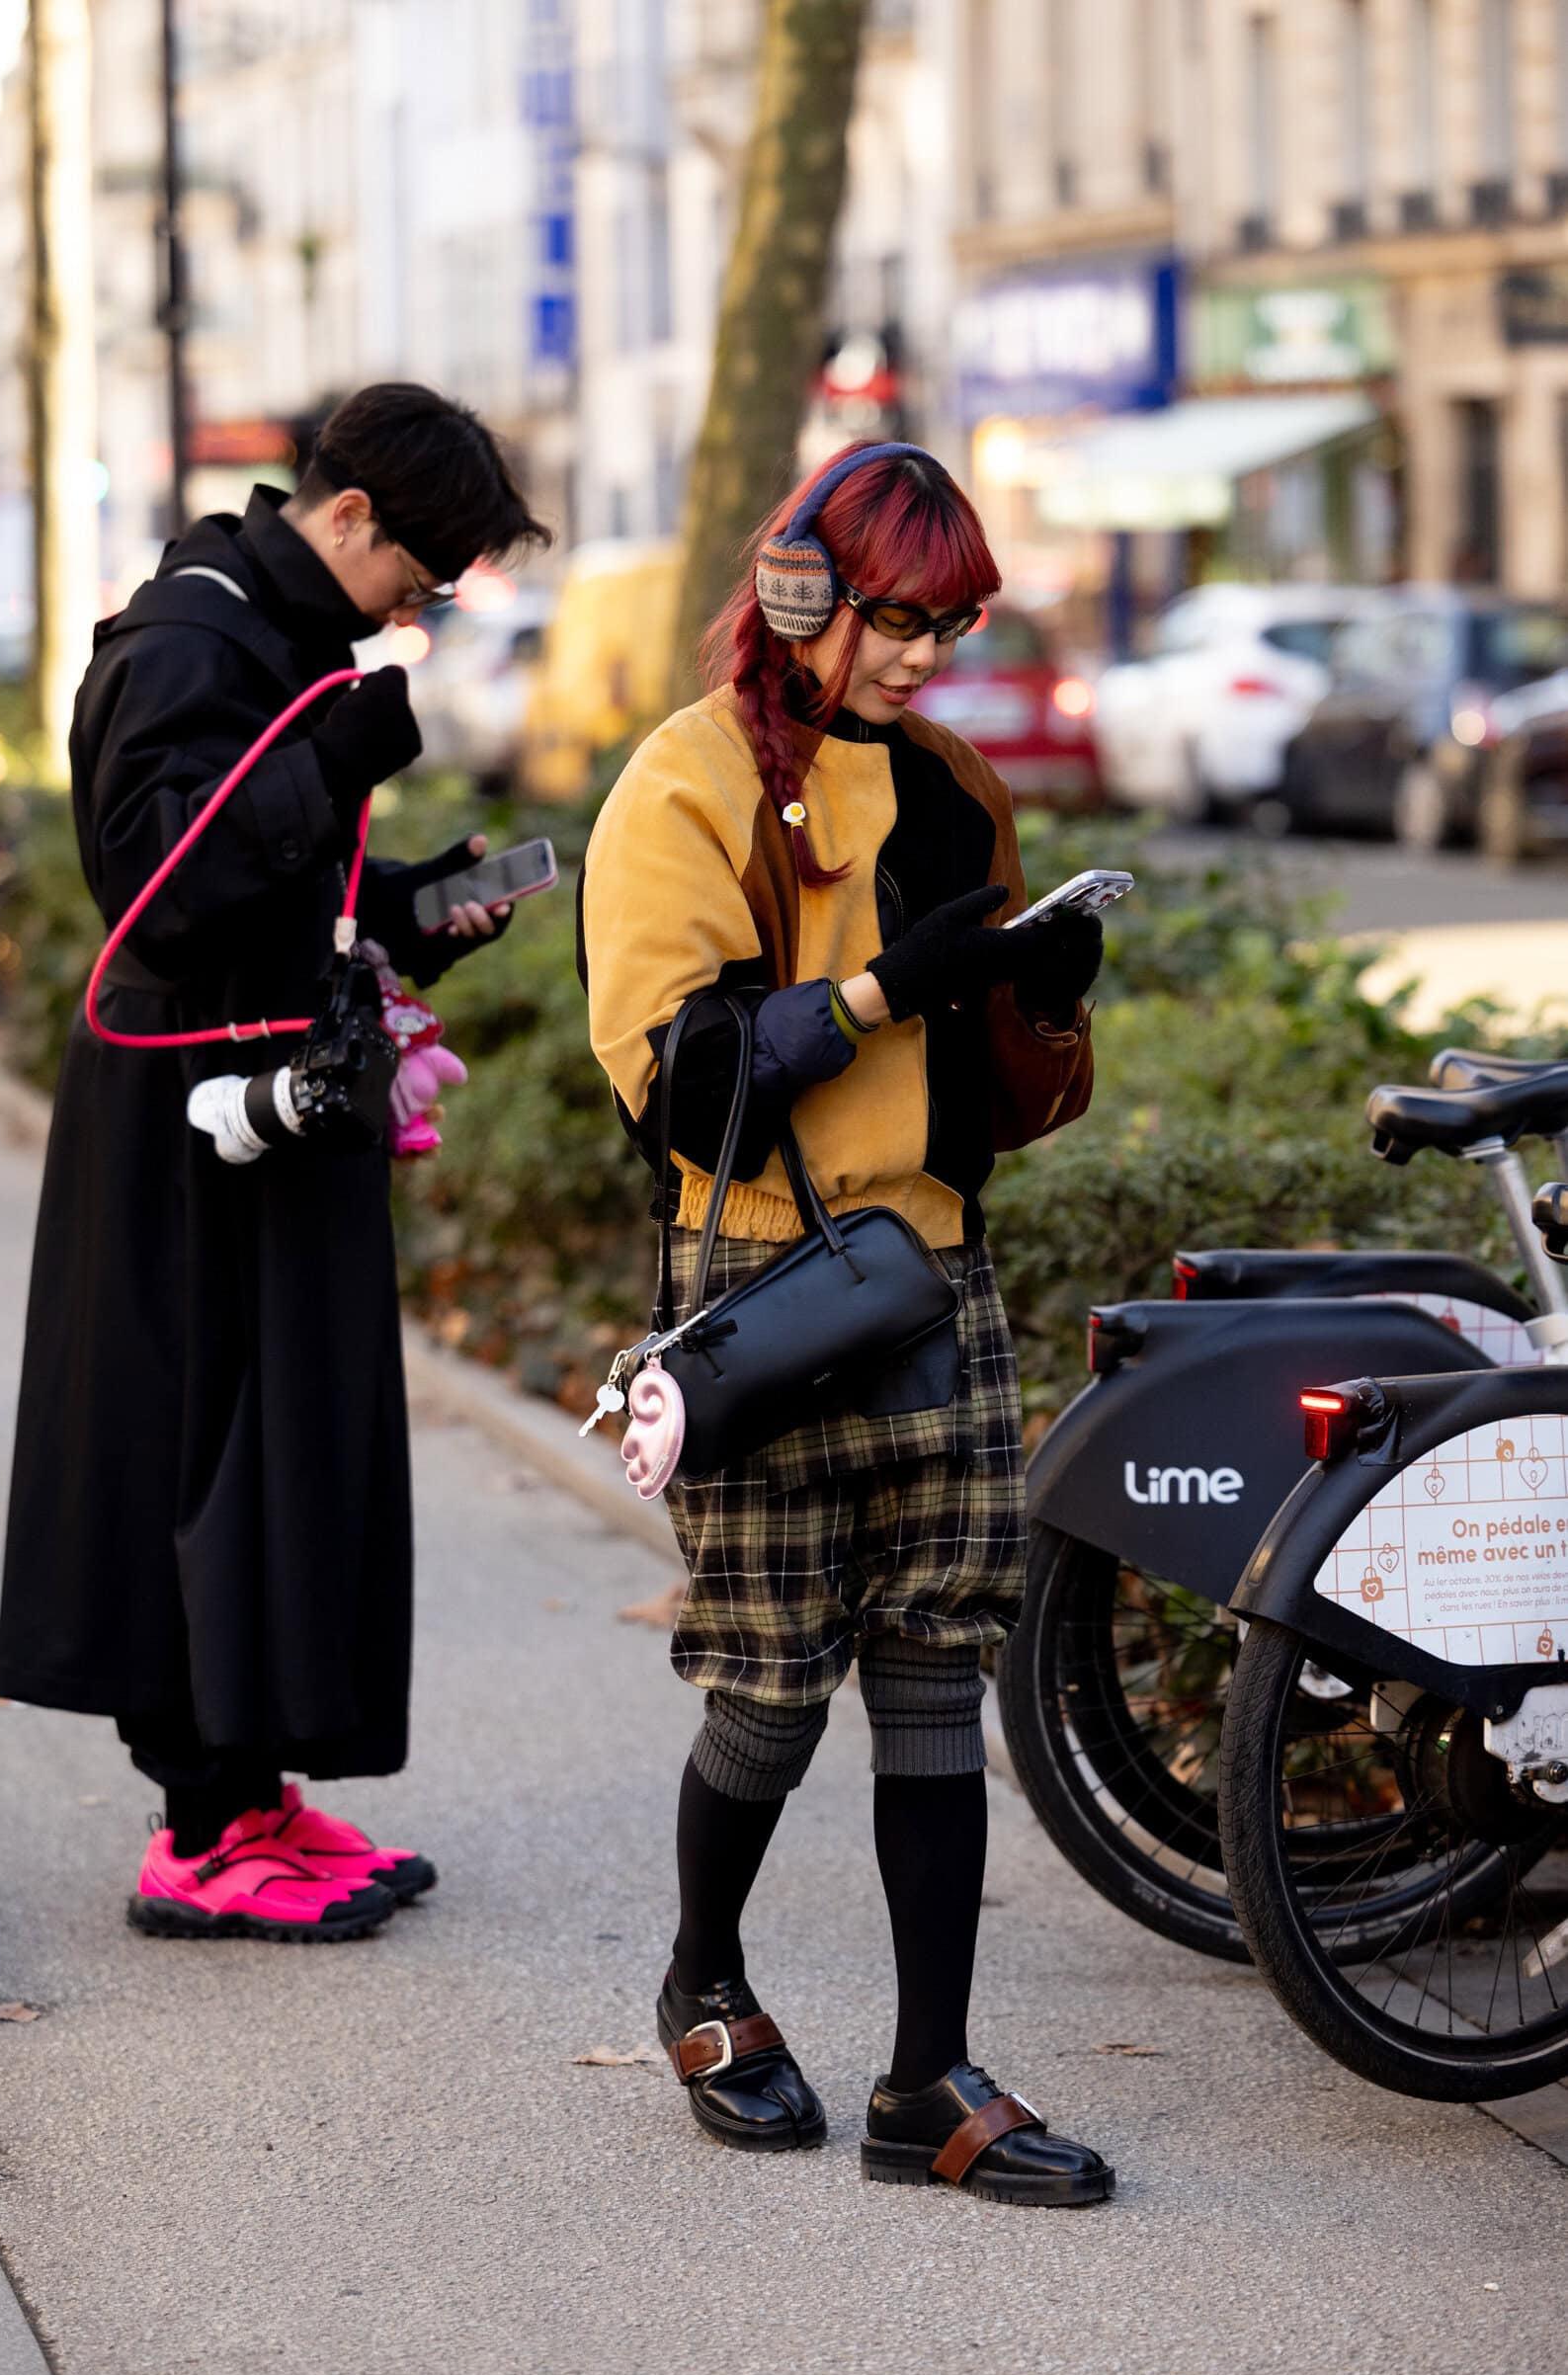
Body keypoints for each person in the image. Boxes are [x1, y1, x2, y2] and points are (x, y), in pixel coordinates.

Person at [580, 442, 1114, 2207]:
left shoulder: (956, 783)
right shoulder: (692, 779)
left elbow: (1008, 1106)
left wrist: (1035, 1011)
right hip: (756, 1284)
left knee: (933, 1671)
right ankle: (704, 1981)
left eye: (944, 626)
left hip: (930, 1274)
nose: (913, 659)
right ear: (804, 588)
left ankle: (928, 2083)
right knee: (767, 1686)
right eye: (891, 619)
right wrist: (891, 986)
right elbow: (674, 1084)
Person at [0, 382, 549, 1941]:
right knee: (198, 1447)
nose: (417, 609)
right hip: (187, 1124)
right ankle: (197, 1829)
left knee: (284, 1453)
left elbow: (274, 890)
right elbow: (160, 889)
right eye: (417, 575)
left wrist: (421, 902)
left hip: (267, 1105)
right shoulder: (191, 638)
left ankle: (251, 1791)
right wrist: (360, 734)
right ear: (350, 514)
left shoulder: (278, 641)